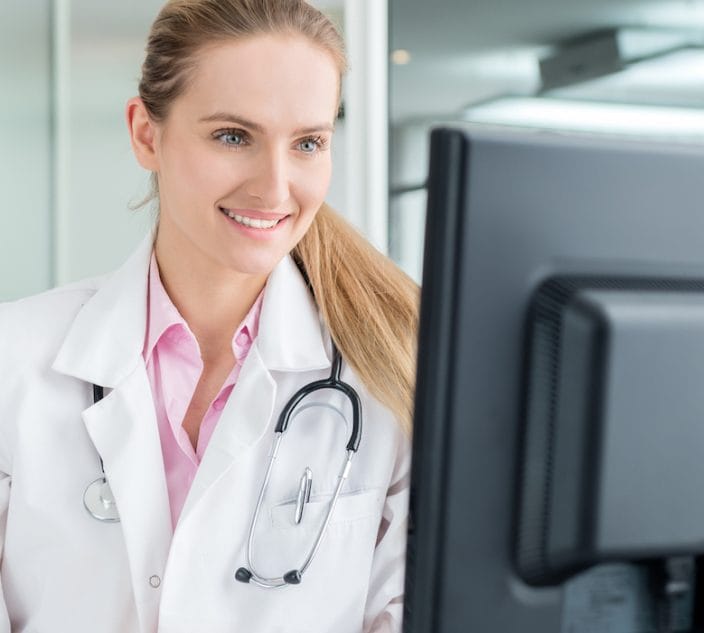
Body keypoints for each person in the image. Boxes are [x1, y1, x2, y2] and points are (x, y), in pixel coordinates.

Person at [0, 0, 419, 631]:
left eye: (307, 143)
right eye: (233, 136)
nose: (275, 188)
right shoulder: (15, 357)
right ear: (147, 133)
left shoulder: (389, 376)